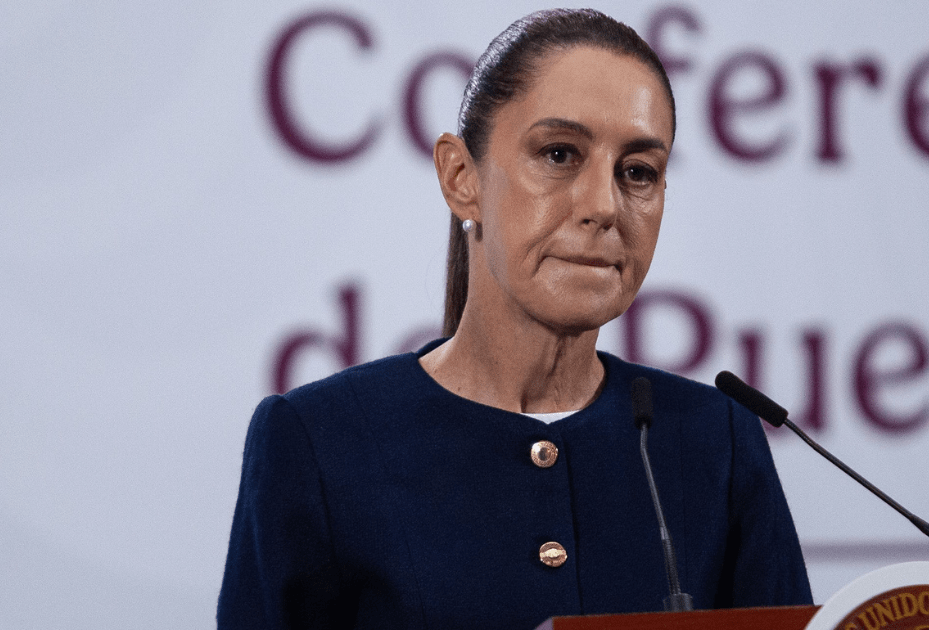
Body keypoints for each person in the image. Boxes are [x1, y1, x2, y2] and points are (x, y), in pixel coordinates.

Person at [218, 8, 812, 629]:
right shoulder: (319, 442)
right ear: (461, 178)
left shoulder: (715, 441)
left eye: (638, 172)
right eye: (559, 154)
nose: (603, 206)